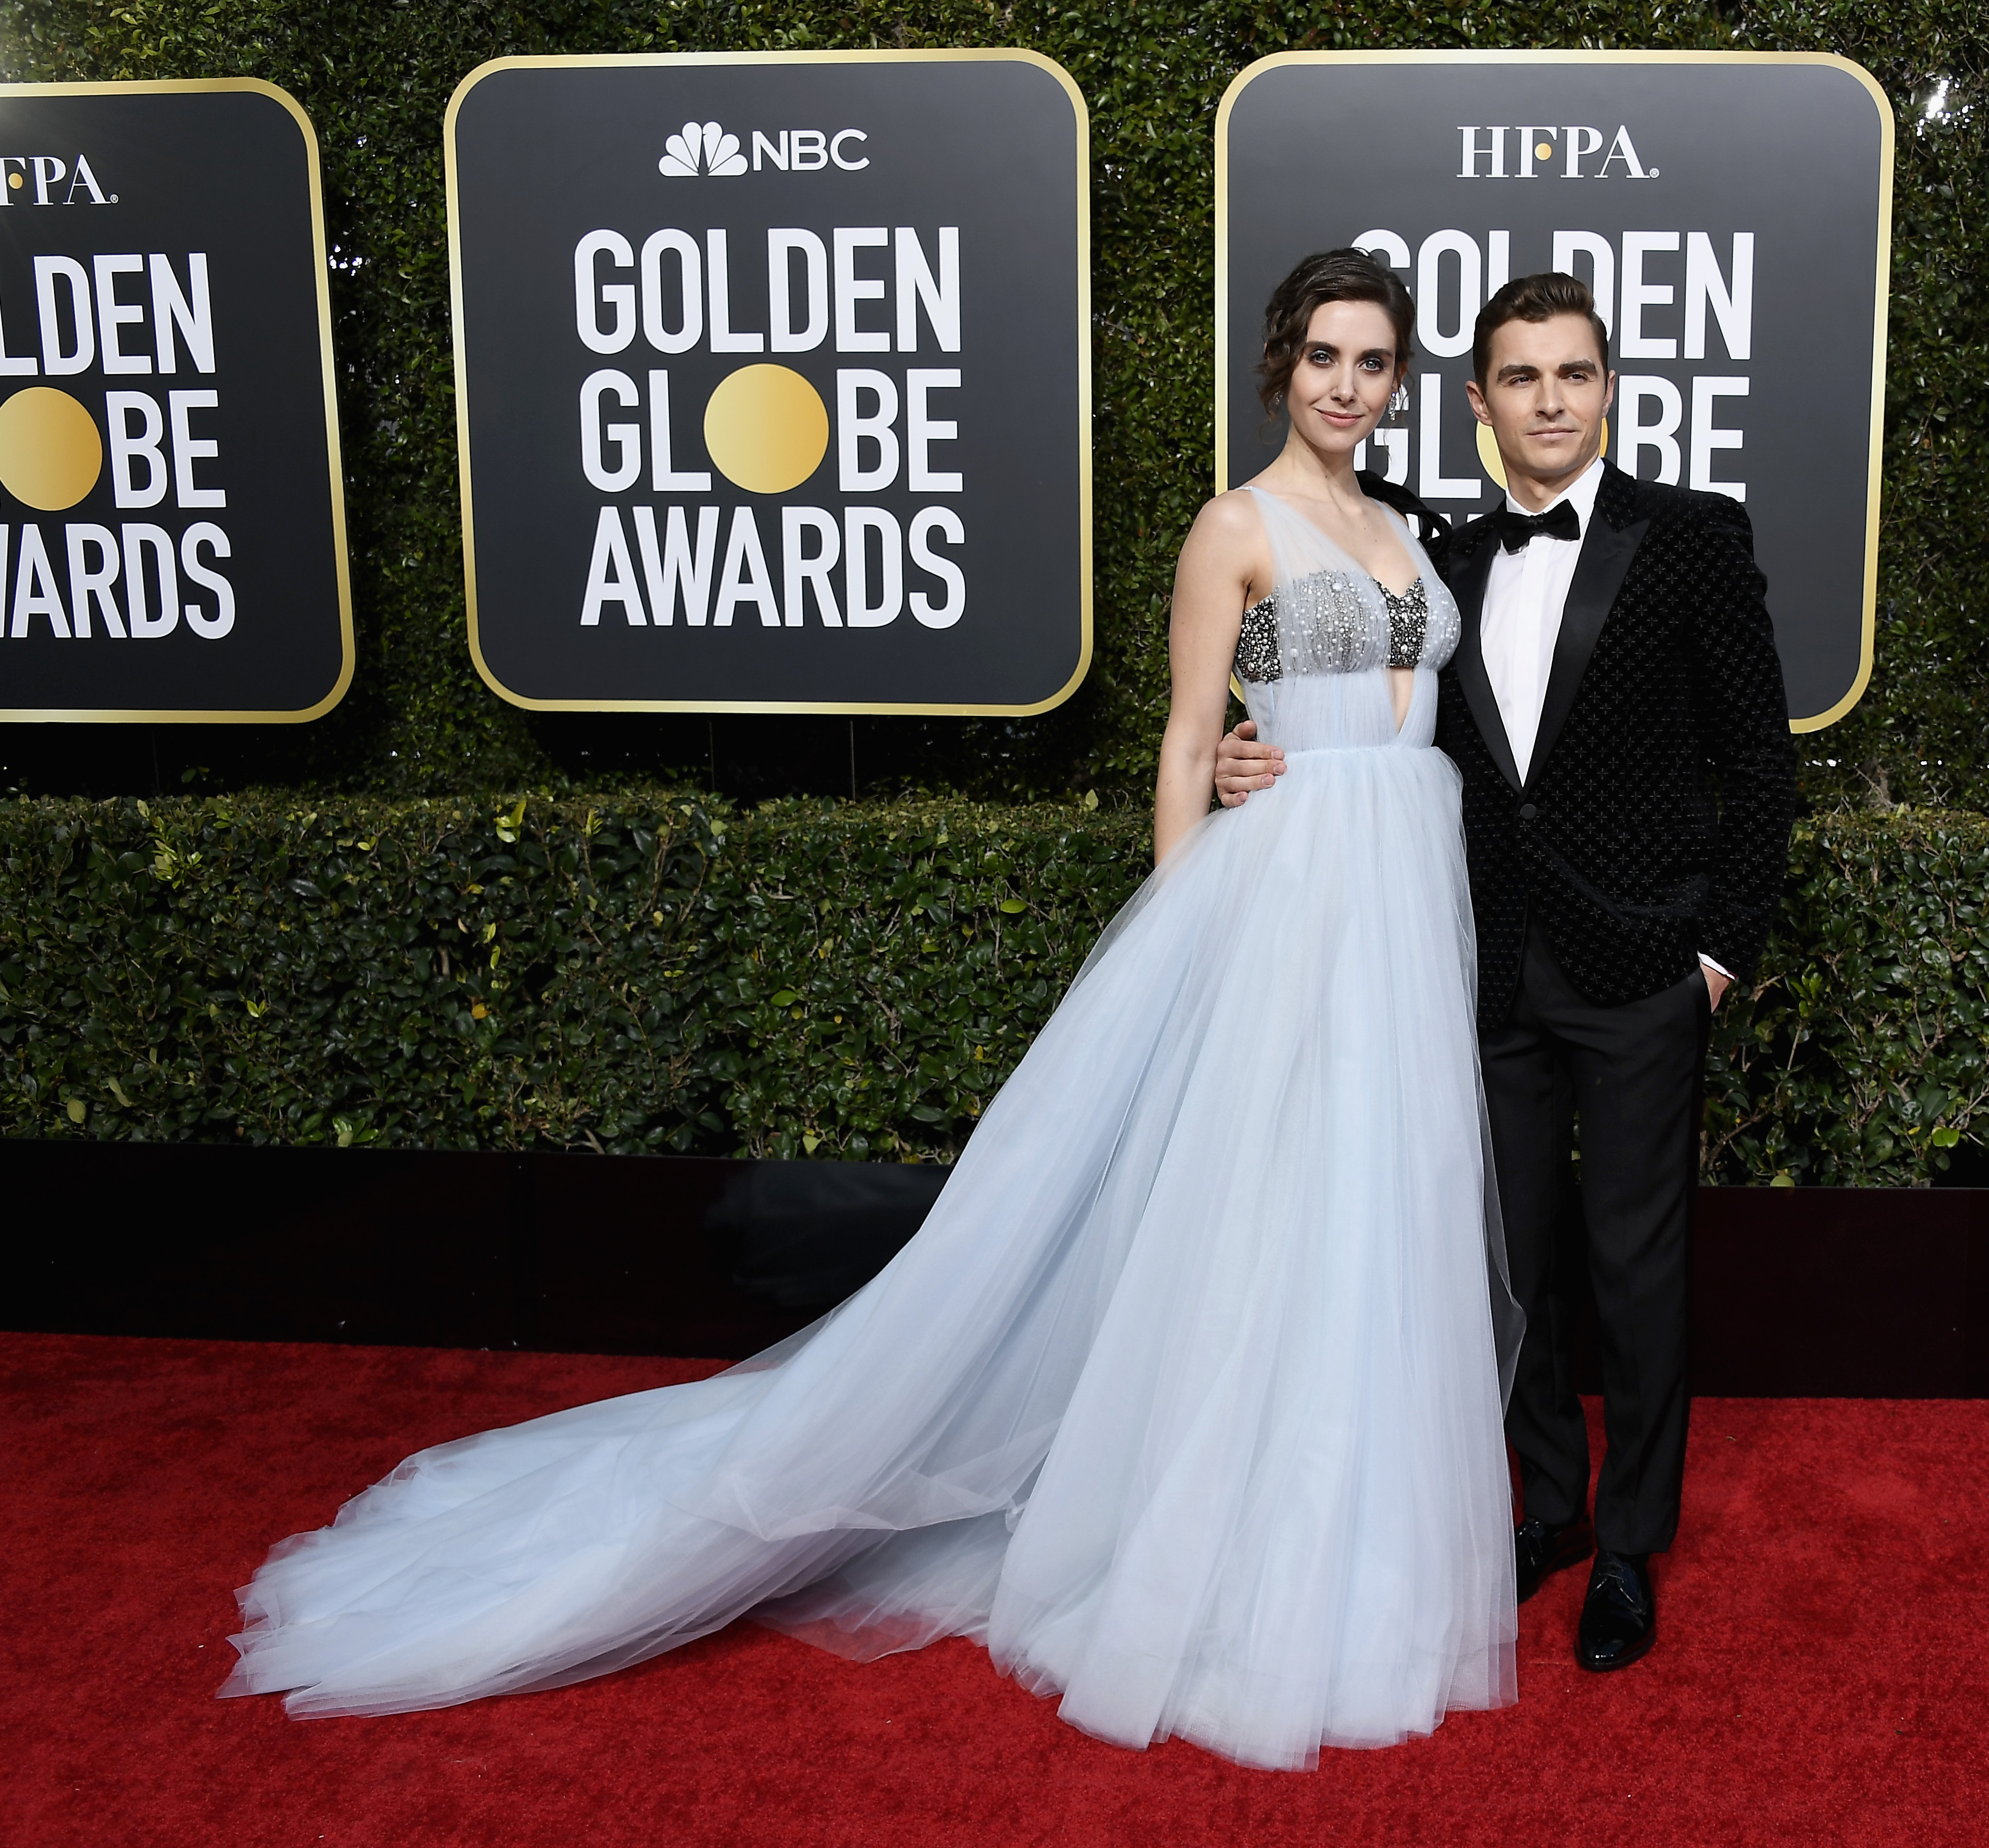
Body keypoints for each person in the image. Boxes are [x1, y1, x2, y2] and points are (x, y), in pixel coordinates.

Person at [219, 249, 1519, 1773]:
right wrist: (1185, 936)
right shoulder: (1234, 525)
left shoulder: (1405, 531)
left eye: (1373, 362)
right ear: (1278, 366)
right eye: (1322, 357)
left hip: (1400, 914)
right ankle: (1207, 1552)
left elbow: (1410, 725)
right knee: (1251, 1221)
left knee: (1368, 1216)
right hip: (1285, 915)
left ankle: (1351, 1540)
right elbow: (1183, 745)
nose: (1346, 386)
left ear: (1402, 380)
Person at [1217, 271, 1795, 1674]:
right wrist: (1247, 755)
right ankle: (1545, 1509)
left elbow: (1760, 765)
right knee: (1507, 1262)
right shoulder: (1435, 556)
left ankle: (1630, 1544)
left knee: (1636, 1266)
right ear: (1478, 402)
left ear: (1608, 390)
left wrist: (1717, 955)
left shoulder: (1694, 539)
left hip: (1645, 965)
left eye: (1575, 375)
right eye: (1521, 378)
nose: (1550, 400)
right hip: (1476, 968)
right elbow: (1291, 670)